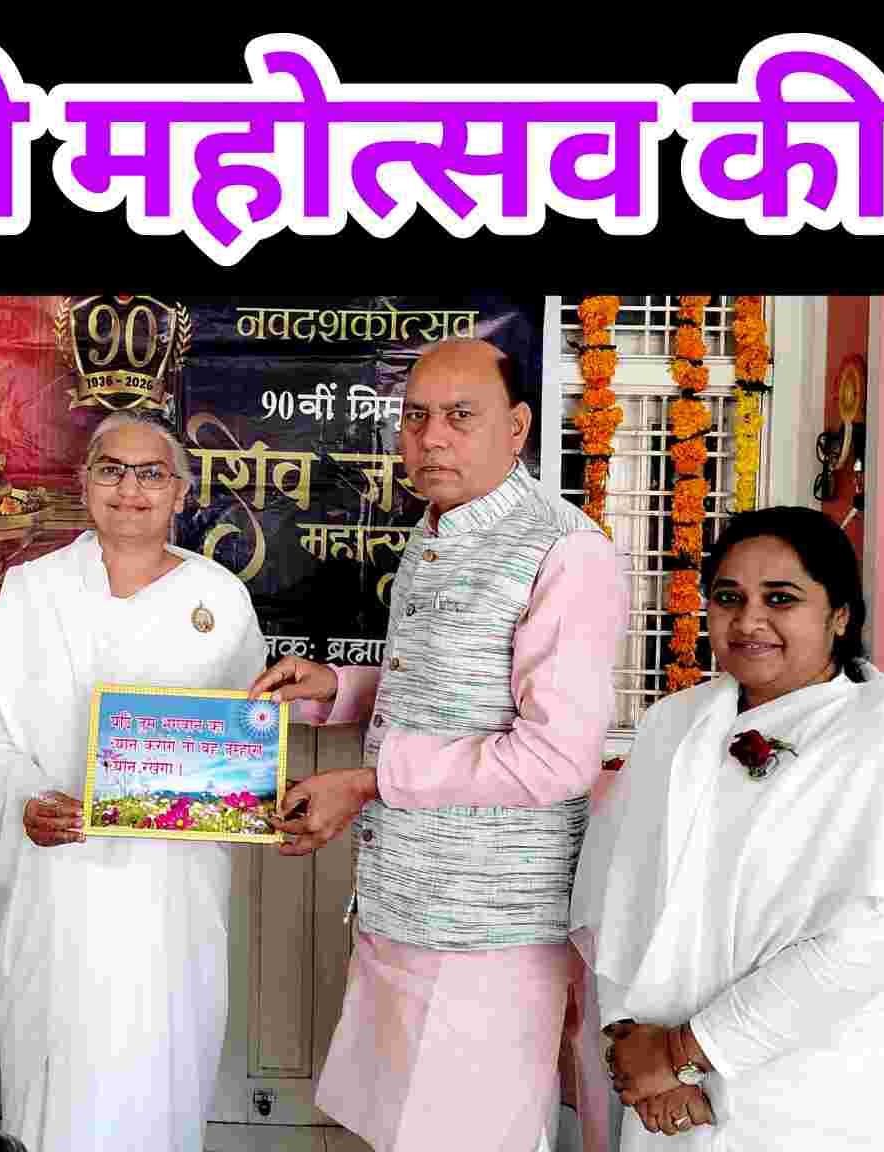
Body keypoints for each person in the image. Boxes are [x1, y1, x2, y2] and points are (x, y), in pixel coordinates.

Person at [248, 339, 630, 1152]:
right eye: (416, 417)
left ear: (517, 427)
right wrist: (338, 688)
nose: (432, 438)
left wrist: (366, 782)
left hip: (487, 931)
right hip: (402, 904)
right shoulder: (436, 532)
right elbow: (453, 692)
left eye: (461, 416)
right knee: (398, 1132)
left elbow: (554, 759)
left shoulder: (565, 551)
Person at [570, 506, 884, 1148]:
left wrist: (684, 1051)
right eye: (728, 597)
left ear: (839, 615)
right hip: (670, 1106)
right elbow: (612, 895)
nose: (748, 620)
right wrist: (634, 1045)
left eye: (780, 599)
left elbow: (867, 945)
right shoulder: (673, 726)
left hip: (830, 1099)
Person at [0, 412, 268, 1152]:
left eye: (151, 473)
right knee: (56, 1068)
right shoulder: (33, 590)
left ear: (181, 491)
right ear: (84, 483)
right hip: (57, 888)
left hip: (172, 893)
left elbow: (247, 742)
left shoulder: (220, 599)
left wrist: (236, 789)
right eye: (111, 470)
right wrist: (25, 801)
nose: (131, 488)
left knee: (161, 1064)